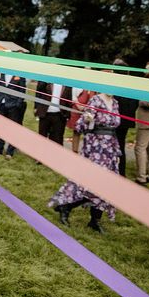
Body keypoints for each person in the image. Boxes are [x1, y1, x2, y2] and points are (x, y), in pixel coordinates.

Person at [49, 91, 121, 233]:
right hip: (95, 149)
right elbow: (80, 126)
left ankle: (95, 220)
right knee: (90, 184)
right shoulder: (95, 101)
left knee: (106, 186)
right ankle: (66, 207)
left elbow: (114, 127)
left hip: (109, 150)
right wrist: (87, 120)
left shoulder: (115, 103)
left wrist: (116, 151)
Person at [112, 58, 138, 176]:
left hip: (116, 121)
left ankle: (115, 170)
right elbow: (135, 103)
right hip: (126, 120)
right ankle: (121, 172)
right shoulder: (132, 85)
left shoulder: (116, 85)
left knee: (114, 145)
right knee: (120, 145)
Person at [0, 73, 26, 158]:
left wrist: (18, 104)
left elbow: (22, 91)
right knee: (1, 128)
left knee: (13, 129)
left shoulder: (20, 76)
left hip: (13, 106)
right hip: (1, 105)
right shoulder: (2, 74)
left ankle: (10, 151)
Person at [34, 81, 72, 145]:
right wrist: (36, 107)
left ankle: (55, 154)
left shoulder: (67, 83)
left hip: (60, 115)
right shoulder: (47, 80)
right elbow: (38, 92)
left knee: (57, 139)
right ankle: (40, 153)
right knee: (42, 137)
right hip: (45, 113)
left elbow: (69, 98)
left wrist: (67, 114)